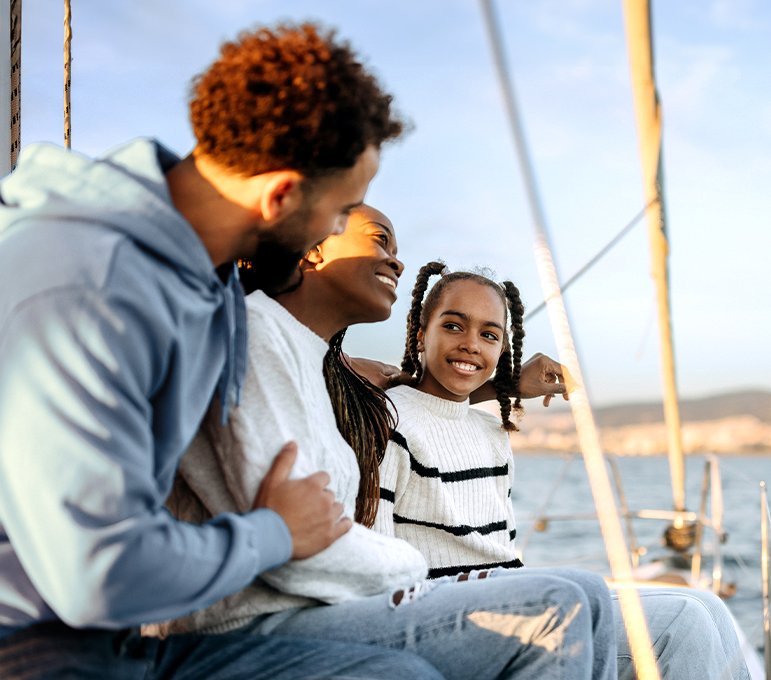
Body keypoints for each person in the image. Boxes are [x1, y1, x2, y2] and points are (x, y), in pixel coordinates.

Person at [0, 24, 444, 679]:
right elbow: (94, 576)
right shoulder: (87, 285)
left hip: (125, 634)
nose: (334, 229)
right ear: (281, 195)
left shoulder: (207, 284)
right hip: (35, 645)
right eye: (341, 210)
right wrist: (274, 533)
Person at [154, 204, 615, 680]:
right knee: (554, 607)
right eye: (379, 239)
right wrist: (425, 577)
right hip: (257, 620)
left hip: (324, 599)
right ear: (314, 247)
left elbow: (428, 398)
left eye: (397, 249)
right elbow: (298, 546)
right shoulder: (258, 337)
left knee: (591, 594)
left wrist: (505, 384)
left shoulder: (324, 366)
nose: (396, 261)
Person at [375, 261, 753, 680]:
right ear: (419, 334)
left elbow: (500, 545)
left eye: (488, 334)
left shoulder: (490, 430)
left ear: (502, 350)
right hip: (456, 614)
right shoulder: (391, 423)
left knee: (709, 606)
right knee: (684, 623)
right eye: (452, 326)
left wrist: (509, 385)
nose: (471, 344)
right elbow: (377, 562)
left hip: (513, 595)